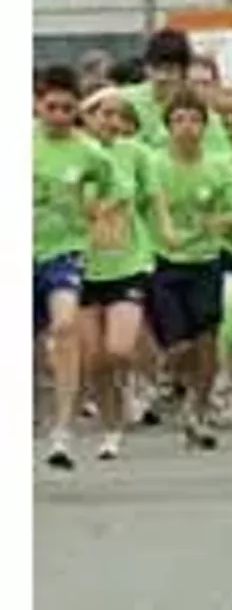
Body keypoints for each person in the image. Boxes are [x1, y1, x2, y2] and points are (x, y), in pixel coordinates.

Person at [33, 66, 122, 470]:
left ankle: (63, 429)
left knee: (66, 324)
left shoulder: (88, 151)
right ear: (38, 105)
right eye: (51, 107)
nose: (59, 116)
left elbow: (117, 187)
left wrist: (101, 215)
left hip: (64, 252)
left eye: (68, 109)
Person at [150, 90, 232, 451]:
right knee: (179, 343)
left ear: (205, 126)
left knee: (208, 339)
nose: (187, 128)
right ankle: (165, 373)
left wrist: (216, 221)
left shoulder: (220, 167)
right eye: (178, 120)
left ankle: (199, 412)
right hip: (163, 262)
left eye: (194, 120)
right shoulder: (155, 165)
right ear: (167, 127)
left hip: (206, 261)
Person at [78, 88, 158, 460]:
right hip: (82, 265)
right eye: (103, 114)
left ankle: (131, 384)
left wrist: (166, 237)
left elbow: (151, 200)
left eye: (118, 115)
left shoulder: (137, 155)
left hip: (128, 263)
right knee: (94, 358)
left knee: (119, 348)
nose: (111, 122)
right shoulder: (72, 154)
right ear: (87, 116)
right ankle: (110, 427)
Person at [121, 29, 232, 154]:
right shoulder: (126, 100)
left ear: (183, 72)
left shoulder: (197, 106)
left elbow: (220, 156)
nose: (161, 77)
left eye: (170, 70)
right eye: (155, 68)